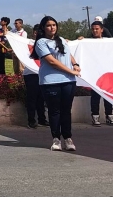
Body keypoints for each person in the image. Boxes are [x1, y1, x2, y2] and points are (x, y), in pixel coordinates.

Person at [29, 16, 81, 152]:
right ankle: (56, 139)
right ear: (43, 28)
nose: (52, 27)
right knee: (54, 111)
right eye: (48, 25)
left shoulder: (62, 40)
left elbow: (68, 54)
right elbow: (51, 61)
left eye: (54, 25)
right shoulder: (41, 42)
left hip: (68, 81)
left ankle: (68, 138)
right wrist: (70, 70)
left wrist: (75, 65)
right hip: (50, 82)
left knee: (66, 111)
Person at [78, 21, 113, 127]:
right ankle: (95, 117)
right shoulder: (87, 42)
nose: (95, 31)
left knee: (108, 97)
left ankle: (109, 116)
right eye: (93, 29)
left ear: (102, 29)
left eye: (97, 29)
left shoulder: (108, 41)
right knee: (95, 97)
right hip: (94, 75)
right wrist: (79, 41)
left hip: (107, 74)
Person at [24, 25, 48, 129]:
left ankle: (42, 119)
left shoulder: (45, 43)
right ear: (33, 33)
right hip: (30, 74)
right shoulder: (27, 42)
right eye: (36, 32)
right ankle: (31, 120)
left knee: (41, 98)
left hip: (42, 73)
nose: (37, 34)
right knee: (32, 98)